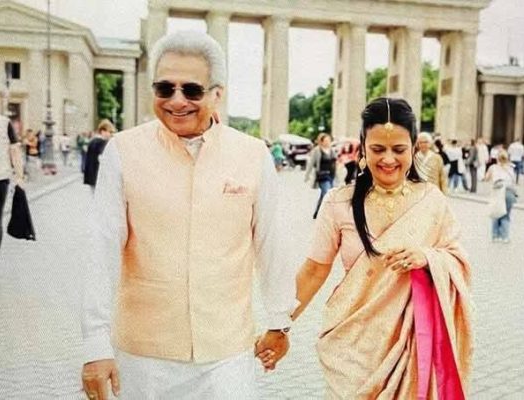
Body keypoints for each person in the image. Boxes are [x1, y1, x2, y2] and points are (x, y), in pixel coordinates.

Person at [81, 31, 295, 400]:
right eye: (165, 89)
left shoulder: (252, 155)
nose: (176, 101)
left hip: (227, 355)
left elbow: (271, 243)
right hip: (144, 355)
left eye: (191, 90)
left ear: (217, 94)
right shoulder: (123, 152)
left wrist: (280, 321)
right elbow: (101, 248)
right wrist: (95, 344)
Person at [279, 98, 472, 399]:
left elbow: (458, 260)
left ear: (413, 148)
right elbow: (314, 270)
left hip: (411, 347)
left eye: (399, 149)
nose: (388, 159)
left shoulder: (432, 200)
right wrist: (279, 325)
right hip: (351, 346)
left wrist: (427, 257)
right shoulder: (339, 202)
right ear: (363, 149)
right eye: (378, 149)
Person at [0, 115, 25, 256]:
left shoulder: (5, 123)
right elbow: (15, 152)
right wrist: (19, 177)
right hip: (0, 177)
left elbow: (14, 151)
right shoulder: (5, 123)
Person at [485, 150, 517, 243]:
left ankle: (495, 236)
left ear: (497, 158)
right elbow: (513, 181)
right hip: (509, 192)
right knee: (506, 215)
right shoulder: (511, 167)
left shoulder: (493, 167)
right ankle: (505, 236)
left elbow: (486, 178)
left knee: (496, 213)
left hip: (498, 192)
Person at [305, 132, 337, 219]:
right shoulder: (317, 150)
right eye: (326, 140)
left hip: (331, 175)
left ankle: (318, 212)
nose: (328, 142)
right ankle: (326, 213)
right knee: (327, 192)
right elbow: (311, 163)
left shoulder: (332, 150)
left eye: (329, 140)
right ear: (321, 142)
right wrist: (307, 175)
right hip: (322, 175)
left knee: (325, 194)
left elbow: (335, 162)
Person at [83, 120, 115, 191]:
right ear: (103, 131)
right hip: (99, 177)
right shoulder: (102, 143)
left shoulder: (92, 141)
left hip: (91, 176)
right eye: (109, 132)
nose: (110, 134)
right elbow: (103, 160)